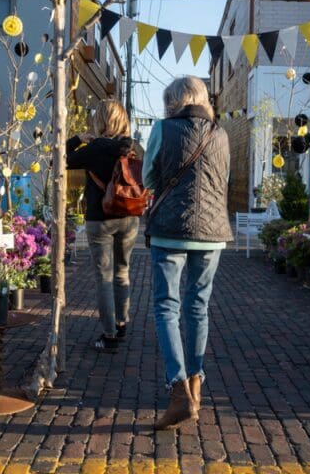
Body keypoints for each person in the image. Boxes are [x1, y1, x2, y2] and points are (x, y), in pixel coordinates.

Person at [143, 77, 232, 430]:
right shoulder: (221, 133)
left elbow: (149, 179)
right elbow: (223, 180)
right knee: (199, 306)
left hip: (169, 230)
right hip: (212, 233)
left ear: (173, 101)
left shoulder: (163, 130)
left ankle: (178, 390)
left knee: (167, 307)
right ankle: (196, 384)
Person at [66, 100, 140, 353]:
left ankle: (108, 335)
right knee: (122, 271)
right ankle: (121, 324)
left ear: (101, 121)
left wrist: (77, 139)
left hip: (100, 218)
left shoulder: (94, 148)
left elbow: (63, 157)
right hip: (129, 216)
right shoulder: (132, 147)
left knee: (104, 278)